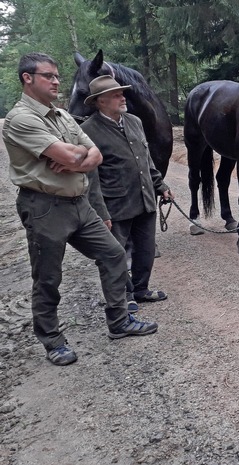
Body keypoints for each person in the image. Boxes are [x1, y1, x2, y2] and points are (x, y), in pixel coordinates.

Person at [2, 53, 158, 366]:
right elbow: (76, 156)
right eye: (48, 76)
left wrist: (76, 157)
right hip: (44, 206)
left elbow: (93, 154)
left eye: (57, 76)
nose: (56, 81)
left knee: (113, 254)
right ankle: (52, 340)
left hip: (78, 201)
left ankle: (118, 321)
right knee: (48, 277)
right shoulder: (21, 119)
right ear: (27, 78)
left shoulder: (61, 117)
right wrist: (77, 156)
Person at [81, 75, 173, 313]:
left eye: (122, 93)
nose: (123, 97)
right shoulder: (87, 130)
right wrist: (100, 211)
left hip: (144, 198)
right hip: (115, 204)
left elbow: (146, 159)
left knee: (145, 249)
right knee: (117, 254)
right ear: (100, 101)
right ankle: (125, 295)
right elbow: (90, 178)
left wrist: (160, 185)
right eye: (116, 95)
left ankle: (141, 289)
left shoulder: (134, 121)